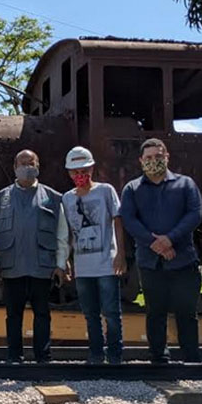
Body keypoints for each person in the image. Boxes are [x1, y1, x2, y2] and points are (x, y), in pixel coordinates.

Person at [120, 138, 202, 364]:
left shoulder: (186, 184)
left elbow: (194, 214)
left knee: (186, 312)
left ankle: (191, 359)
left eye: (158, 156)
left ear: (167, 157)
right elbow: (128, 218)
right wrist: (154, 243)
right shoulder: (132, 189)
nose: (154, 161)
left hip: (183, 259)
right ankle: (158, 357)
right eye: (148, 158)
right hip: (149, 262)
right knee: (155, 312)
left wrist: (169, 239)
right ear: (141, 161)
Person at [0, 150, 69, 364]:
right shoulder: (1, 199)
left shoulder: (53, 198)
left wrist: (60, 264)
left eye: (31, 162)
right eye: (23, 163)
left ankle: (43, 357)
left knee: (42, 314)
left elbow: (62, 235)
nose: (27, 167)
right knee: (13, 315)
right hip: (11, 266)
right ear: (15, 167)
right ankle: (14, 356)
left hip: (42, 267)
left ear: (38, 166)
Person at [61, 147, 126, 365]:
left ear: (91, 168)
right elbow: (69, 231)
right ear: (69, 173)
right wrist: (67, 259)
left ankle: (115, 355)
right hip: (83, 265)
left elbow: (118, 220)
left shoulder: (106, 191)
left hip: (106, 263)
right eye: (75, 170)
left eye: (84, 168)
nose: (80, 174)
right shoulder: (67, 199)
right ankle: (96, 355)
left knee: (111, 313)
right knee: (90, 314)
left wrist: (121, 254)